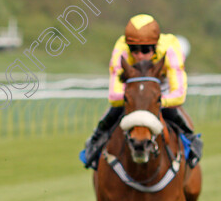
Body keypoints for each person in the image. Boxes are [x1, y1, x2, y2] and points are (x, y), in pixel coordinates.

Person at [83, 13, 202, 169]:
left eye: (145, 50)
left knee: (173, 112)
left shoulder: (171, 48)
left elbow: (179, 94)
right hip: (133, 91)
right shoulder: (121, 49)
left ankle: (192, 142)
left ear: (155, 46)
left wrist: (158, 101)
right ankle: (94, 143)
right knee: (114, 111)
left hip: (160, 88)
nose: (140, 56)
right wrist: (135, 102)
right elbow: (113, 96)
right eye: (134, 50)